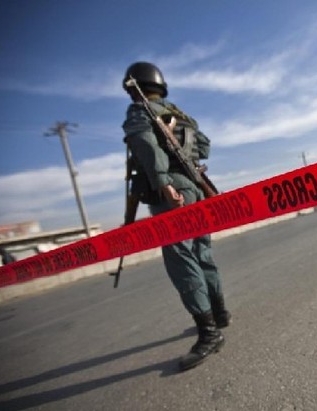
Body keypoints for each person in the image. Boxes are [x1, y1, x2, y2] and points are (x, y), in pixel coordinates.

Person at [121, 61, 231, 372]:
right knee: (202, 252)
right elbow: (205, 146)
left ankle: (209, 333)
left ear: (133, 87)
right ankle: (220, 314)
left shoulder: (139, 111)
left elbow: (143, 142)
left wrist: (163, 180)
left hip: (171, 192)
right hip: (194, 187)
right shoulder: (180, 114)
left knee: (182, 258)